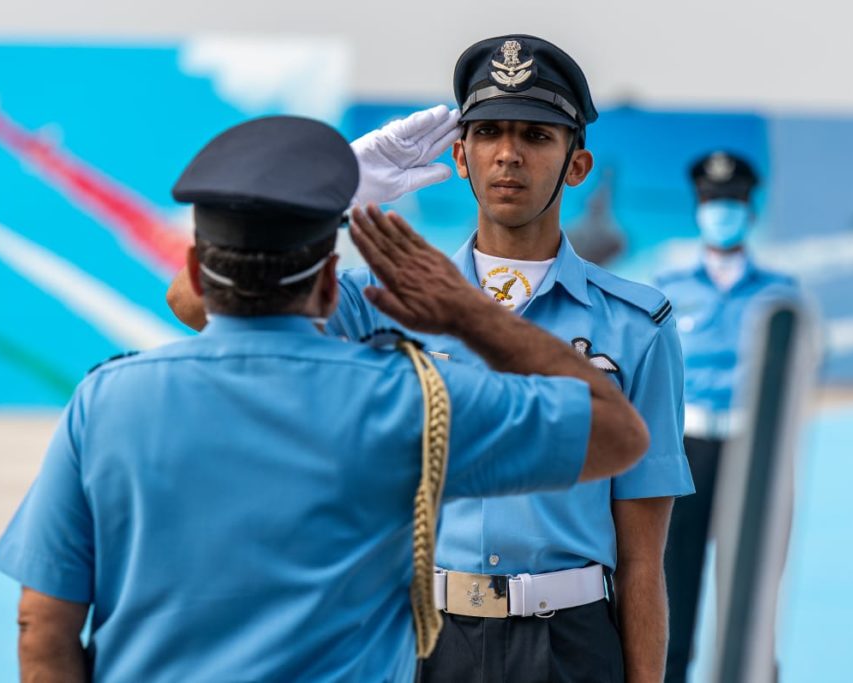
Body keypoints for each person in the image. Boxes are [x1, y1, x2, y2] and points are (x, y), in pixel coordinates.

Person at [0, 115, 650, 682]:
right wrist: (467, 312)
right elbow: (616, 431)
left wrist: (343, 185)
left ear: (195, 265)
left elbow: (41, 626)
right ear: (334, 282)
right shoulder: (410, 402)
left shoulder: (103, 403)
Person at [169, 34, 693, 683]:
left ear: (576, 164)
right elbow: (197, 303)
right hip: (423, 635)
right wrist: (326, 196)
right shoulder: (380, 296)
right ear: (460, 156)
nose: (508, 153)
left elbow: (644, 555)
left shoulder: (638, 325)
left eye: (536, 135)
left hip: (572, 642)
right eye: (489, 132)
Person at [656, 151, 802, 683]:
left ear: (750, 210)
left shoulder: (781, 293)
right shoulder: (668, 287)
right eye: (714, 202)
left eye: (733, 202)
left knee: (754, 588)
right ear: (698, 209)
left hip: (751, 449)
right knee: (673, 586)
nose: (723, 211)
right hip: (686, 449)